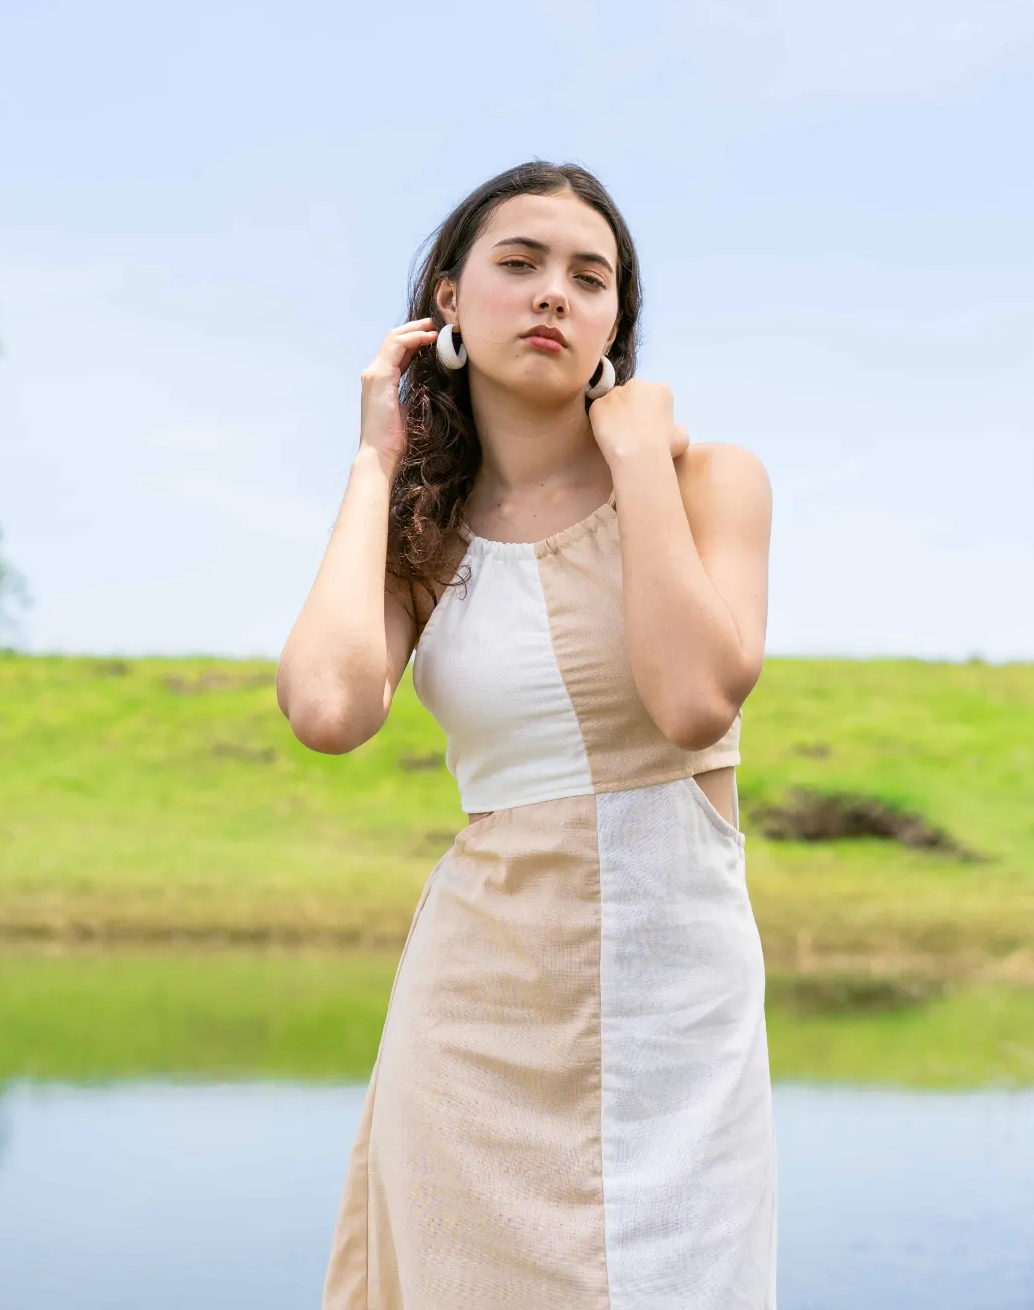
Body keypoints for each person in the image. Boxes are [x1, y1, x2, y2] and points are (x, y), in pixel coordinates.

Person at [277, 160, 778, 1309]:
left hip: (674, 998)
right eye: (519, 264)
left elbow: (695, 701)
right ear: (446, 301)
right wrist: (375, 461)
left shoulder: (711, 481)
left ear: (614, 323)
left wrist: (637, 456)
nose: (554, 292)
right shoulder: (425, 536)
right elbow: (327, 711)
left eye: (588, 276)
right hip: (477, 1004)